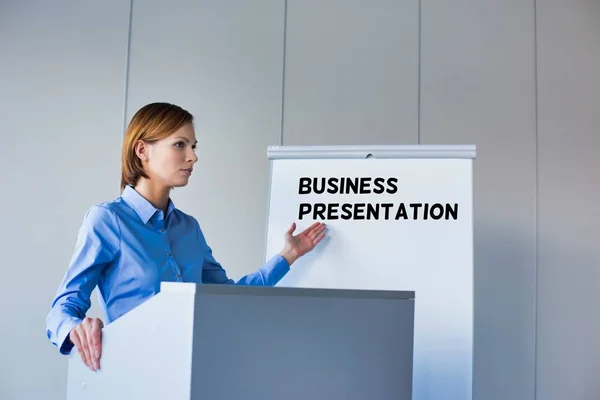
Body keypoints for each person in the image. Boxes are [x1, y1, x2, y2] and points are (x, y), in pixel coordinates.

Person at [45, 102, 326, 372]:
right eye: (180, 144)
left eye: (193, 146)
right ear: (142, 150)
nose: (192, 157)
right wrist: (75, 329)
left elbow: (226, 297)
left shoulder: (189, 228)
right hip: (133, 380)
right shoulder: (108, 221)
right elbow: (63, 307)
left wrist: (289, 254)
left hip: (197, 374)